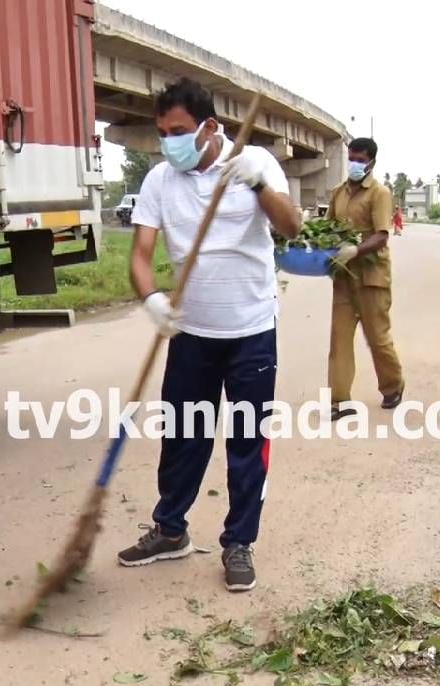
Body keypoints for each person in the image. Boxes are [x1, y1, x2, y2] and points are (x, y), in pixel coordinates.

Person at [118, 77, 301, 593]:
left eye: (177, 131)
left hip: (250, 333)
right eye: (162, 132)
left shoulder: (257, 163)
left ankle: (238, 542)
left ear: (210, 127)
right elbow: (139, 255)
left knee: (247, 442)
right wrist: (152, 298)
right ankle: (170, 530)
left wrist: (258, 186)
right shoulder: (159, 181)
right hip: (192, 335)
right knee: (182, 438)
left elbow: (292, 227)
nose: (168, 141)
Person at [326, 138, 405, 419]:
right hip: (344, 277)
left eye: (359, 159)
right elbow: (328, 227)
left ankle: (393, 385)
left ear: (371, 162)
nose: (354, 164)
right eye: (351, 158)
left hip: (372, 277)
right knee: (339, 340)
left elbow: (382, 236)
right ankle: (339, 400)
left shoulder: (379, 194)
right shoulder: (338, 193)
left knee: (377, 338)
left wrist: (355, 250)